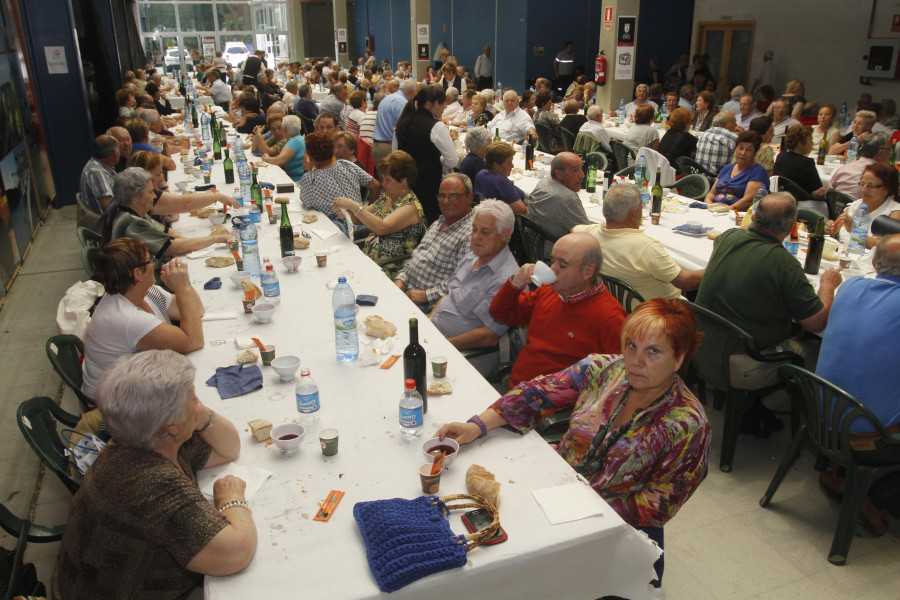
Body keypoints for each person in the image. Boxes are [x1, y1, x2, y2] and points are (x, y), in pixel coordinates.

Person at [437, 297, 709, 586]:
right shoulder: (603, 370)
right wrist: (476, 426)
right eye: (632, 345)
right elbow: (536, 394)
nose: (636, 361)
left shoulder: (688, 424)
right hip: (557, 492)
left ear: (679, 358)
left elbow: (658, 505)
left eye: (653, 351)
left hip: (617, 530)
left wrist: (581, 507)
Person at [53, 350, 257, 598]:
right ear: (170, 424)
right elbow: (236, 552)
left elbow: (228, 449)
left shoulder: (143, 440)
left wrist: (197, 414)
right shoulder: (151, 483)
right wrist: (231, 498)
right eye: (193, 398)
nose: (199, 403)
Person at [696, 192, 842, 432]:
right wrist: (827, 286)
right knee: (815, 352)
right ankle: (766, 409)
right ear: (791, 227)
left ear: (754, 216)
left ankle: (754, 406)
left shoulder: (728, 237)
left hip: (704, 348)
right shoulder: (783, 263)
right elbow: (816, 323)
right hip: (741, 363)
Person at [815, 235, 900, 536]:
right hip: (864, 440)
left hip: (820, 419)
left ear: (875, 262)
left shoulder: (849, 286)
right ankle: (875, 501)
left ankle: (839, 475)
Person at [489, 232, 627, 387]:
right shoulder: (551, 291)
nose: (553, 270)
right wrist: (517, 281)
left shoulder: (610, 318)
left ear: (588, 271)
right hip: (517, 388)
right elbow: (500, 312)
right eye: (551, 261)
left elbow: (617, 379)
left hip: (553, 405)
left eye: (562, 265)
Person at [80, 238, 205, 396]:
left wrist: (183, 284)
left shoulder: (145, 291)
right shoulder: (126, 317)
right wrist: (183, 288)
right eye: (150, 260)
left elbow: (198, 310)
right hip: (116, 403)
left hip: (136, 383)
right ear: (137, 273)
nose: (154, 264)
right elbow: (193, 341)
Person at [430, 199, 519, 375]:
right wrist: (429, 324)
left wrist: (442, 345)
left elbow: (488, 337)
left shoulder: (508, 281)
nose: (476, 237)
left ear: (504, 234)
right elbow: (447, 296)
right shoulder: (472, 257)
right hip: (435, 338)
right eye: (474, 229)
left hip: (468, 354)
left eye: (485, 232)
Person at [574, 183, 704, 300]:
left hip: (612, 304)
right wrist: (713, 269)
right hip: (656, 315)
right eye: (641, 208)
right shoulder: (646, 248)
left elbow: (573, 229)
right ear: (633, 214)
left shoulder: (589, 233)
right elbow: (686, 282)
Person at [393, 174, 475, 307]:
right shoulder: (439, 221)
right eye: (442, 196)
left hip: (430, 305)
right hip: (406, 290)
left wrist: (426, 295)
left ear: (469, 197)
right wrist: (400, 280)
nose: (446, 201)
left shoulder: (471, 234)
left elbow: (462, 282)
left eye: (453, 196)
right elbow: (417, 257)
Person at [334, 150, 426, 265]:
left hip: (391, 266)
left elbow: (381, 228)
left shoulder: (410, 206)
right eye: (383, 179)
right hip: (372, 259)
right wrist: (346, 212)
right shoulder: (387, 198)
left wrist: (353, 205)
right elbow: (360, 219)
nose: (383, 184)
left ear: (403, 180)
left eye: (387, 180)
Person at [394, 85, 460, 224]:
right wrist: (436, 161)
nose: (444, 108)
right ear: (430, 104)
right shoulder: (436, 126)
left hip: (404, 186)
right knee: (428, 225)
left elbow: (395, 155)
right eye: (441, 104)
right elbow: (452, 161)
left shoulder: (402, 122)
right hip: (428, 188)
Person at [298, 131, 380, 235]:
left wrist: (308, 168)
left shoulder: (311, 179)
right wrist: (368, 213)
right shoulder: (347, 164)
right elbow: (376, 185)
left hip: (338, 231)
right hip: (362, 224)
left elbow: (304, 199)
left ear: (310, 156)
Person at [826, 163, 900, 250]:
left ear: (888, 188)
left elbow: (885, 247)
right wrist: (831, 229)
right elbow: (836, 229)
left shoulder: (895, 212)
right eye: (862, 184)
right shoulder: (857, 205)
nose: (864, 190)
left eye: (871, 186)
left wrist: (854, 230)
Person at [526, 152, 589, 239]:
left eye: (581, 168)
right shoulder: (567, 199)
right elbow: (587, 234)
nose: (582, 175)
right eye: (575, 170)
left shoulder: (544, 182)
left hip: (534, 244)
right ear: (559, 174)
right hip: (555, 249)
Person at [705, 131, 768, 210]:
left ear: (755, 153)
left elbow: (747, 201)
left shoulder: (758, 172)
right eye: (740, 148)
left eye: (749, 150)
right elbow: (711, 193)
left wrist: (726, 210)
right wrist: (710, 205)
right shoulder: (727, 168)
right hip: (715, 210)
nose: (743, 153)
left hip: (736, 214)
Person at [826, 132, 890, 199]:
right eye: (889, 150)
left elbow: (828, 192)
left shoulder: (845, 168)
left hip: (834, 208)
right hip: (861, 208)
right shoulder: (881, 175)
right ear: (881, 153)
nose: (890, 154)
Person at [373, 79, 418, 171]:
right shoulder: (402, 103)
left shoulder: (388, 98)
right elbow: (405, 128)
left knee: (386, 182)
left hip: (377, 146)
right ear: (412, 92)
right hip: (388, 148)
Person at [473, 142, 527, 216]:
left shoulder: (481, 174)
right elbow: (522, 211)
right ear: (496, 165)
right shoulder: (501, 182)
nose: (512, 166)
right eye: (509, 163)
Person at [773, 125, 826, 197]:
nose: (812, 144)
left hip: (781, 198)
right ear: (800, 143)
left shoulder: (780, 156)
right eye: (810, 140)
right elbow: (818, 192)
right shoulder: (806, 162)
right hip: (802, 203)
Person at [258, 115, 305, 183]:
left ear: (285, 129)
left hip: (297, 181)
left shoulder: (294, 142)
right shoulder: (298, 139)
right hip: (297, 178)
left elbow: (279, 161)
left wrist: (266, 158)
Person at [80, 135, 119, 214]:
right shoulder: (97, 172)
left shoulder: (100, 165)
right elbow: (108, 207)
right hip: (105, 222)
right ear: (114, 154)